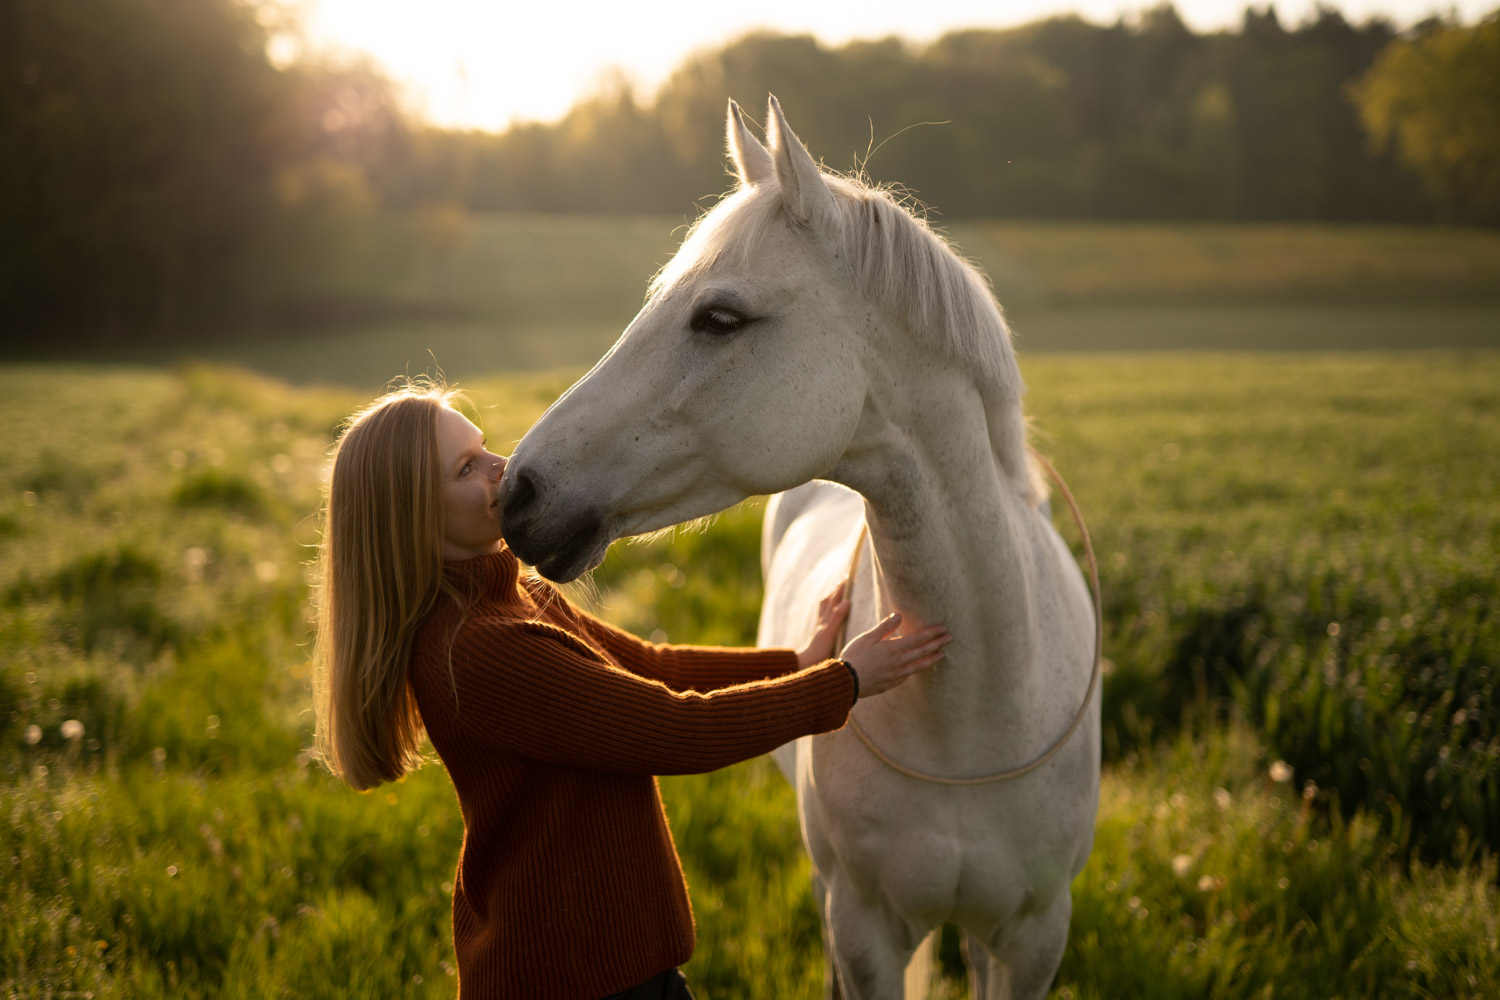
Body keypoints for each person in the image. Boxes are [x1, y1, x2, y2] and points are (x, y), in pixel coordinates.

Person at [311, 383, 951, 999]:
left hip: (603, 966)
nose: (503, 470)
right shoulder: (481, 651)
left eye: (487, 449)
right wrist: (845, 682)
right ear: (412, 518)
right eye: (466, 469)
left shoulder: (514, 599)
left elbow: (649, 664)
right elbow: (676, 730)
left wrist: (796, 659)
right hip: (576, 976)